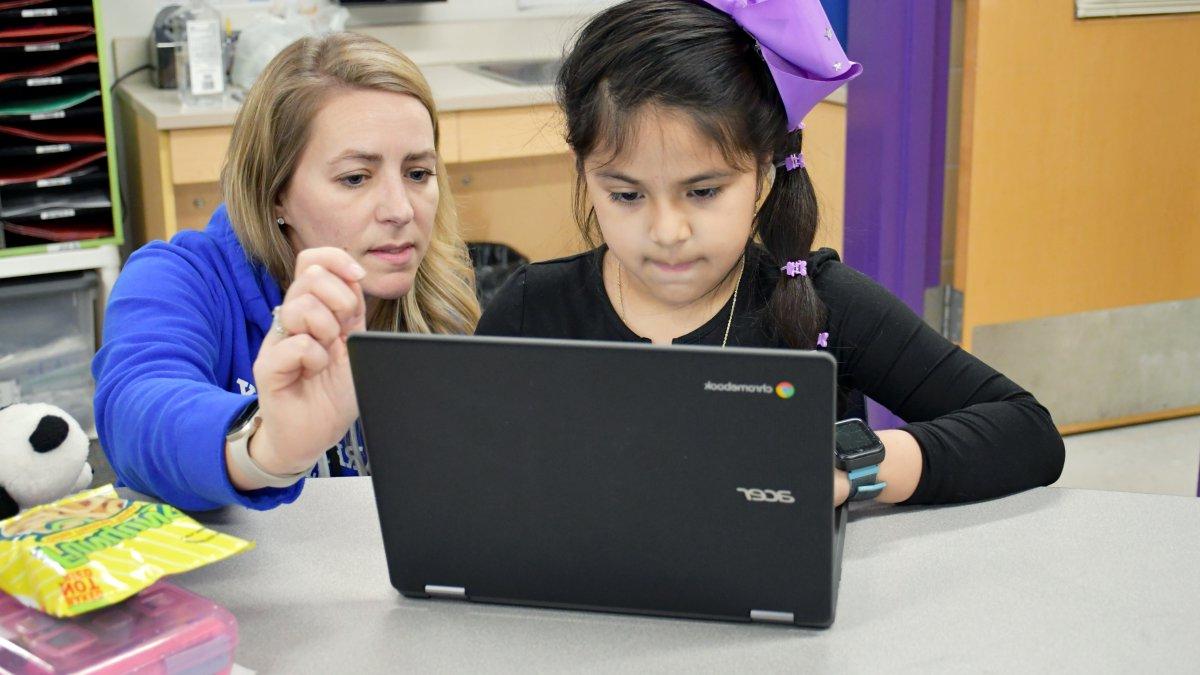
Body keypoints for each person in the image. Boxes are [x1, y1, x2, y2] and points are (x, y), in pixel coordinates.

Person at [476, 0, 1064, 506]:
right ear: (584, 173)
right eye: (626, 194)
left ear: (763, 171)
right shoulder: (531, 310)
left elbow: (1027, 433)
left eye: (703, 191)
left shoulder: (822, 301)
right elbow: (476, 476)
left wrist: (851, 469)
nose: (667, 230)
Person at [93, 33, 480, 510]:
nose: (400, 210)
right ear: (276, 194)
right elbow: (137, 413)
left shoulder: (444, 298)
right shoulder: (178, 278)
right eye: (355, 178)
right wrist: (268, 446)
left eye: (418, 173)